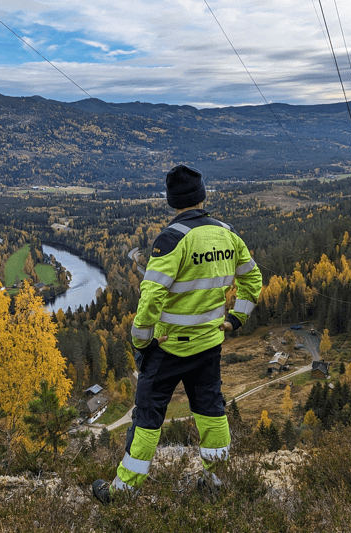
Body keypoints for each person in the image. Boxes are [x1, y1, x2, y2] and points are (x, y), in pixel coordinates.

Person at [93, 164, 263, 503]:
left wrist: (141, 340)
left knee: (147, 418)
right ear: (202, 195)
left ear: (172, 201)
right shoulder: (227, 234)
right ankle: (214, 482)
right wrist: (235, 321)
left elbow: (152, 295)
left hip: (167, 349)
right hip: (209, 345)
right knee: (211, 411)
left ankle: (123, 491)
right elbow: (252, 280)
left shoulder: (172, 238)